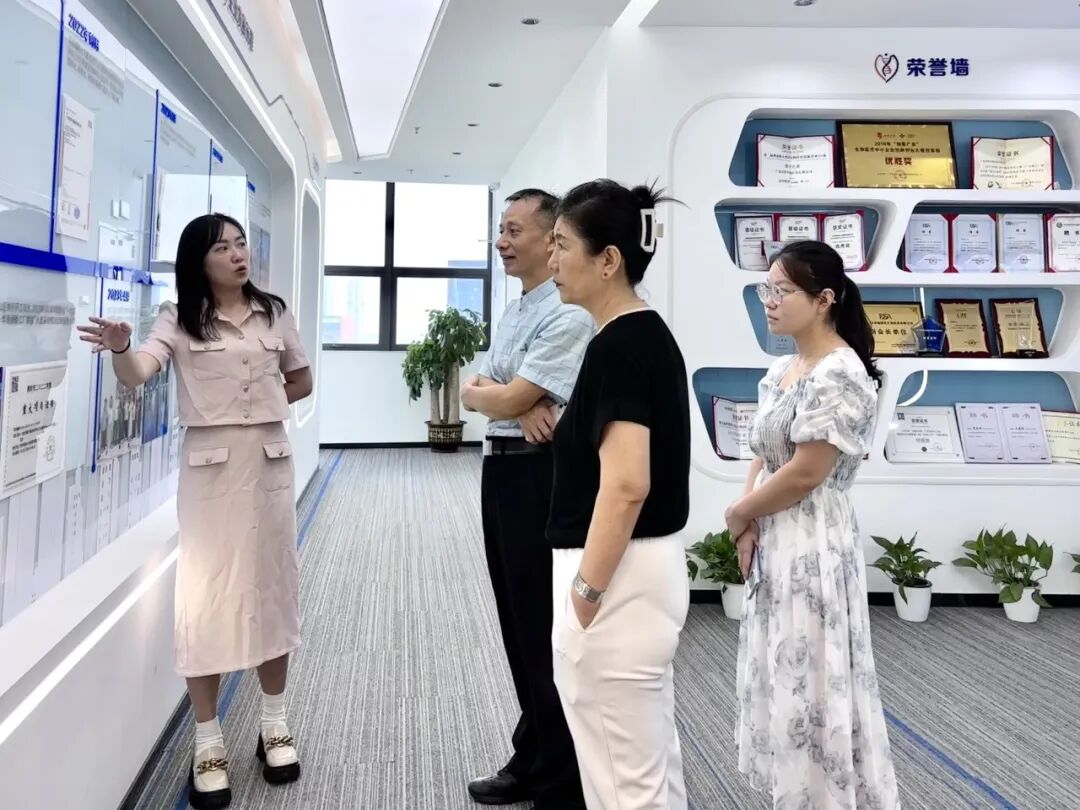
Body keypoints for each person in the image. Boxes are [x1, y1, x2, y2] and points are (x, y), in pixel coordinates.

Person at [78, 213, 313, 810]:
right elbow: (138, 374)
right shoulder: (178, 317)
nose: (238, 254)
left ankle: (274, 723)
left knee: (273, 588)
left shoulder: (274, 312)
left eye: (241, 244)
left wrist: (262, 400)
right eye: (223, 247)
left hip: (269, 464)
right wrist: (121, 347)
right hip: (210, 474)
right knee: (205, 599)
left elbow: (301, 379)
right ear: (198, 261)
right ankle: (208, 739)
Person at [725, 240, 900, 809]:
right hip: (773, 533)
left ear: (824, 299)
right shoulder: (784, 367)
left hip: (812, 538)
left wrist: (741, 512)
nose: (769, 302)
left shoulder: (841, 372)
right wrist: (747, 514)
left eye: (782, 291)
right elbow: (763, 451)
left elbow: (807, 473)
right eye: (766, 289)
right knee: (782, 668)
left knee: (813, 674)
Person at [545, 179, 691, 810]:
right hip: (640, 572)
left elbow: (628, 483)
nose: (551, 258)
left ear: (608, 259)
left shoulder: (619, 347)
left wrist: (586, 592)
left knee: (622, 779)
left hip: (617, 576)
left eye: (561, 243)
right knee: (645, 769)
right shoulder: (641, 335)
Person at [459, 189, 595, 809]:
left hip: (540, 476)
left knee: (541, 626)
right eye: (500, 229)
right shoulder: (517, 309)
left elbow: (504, 395)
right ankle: (534, 752)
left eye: (515, 231)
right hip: (501, 471)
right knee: (516, 622)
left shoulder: (567, 313)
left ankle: (559, 774)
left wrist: (508, 397)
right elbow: (481, 388)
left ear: (551, 237)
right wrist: (508, 398)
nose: (502, 242)